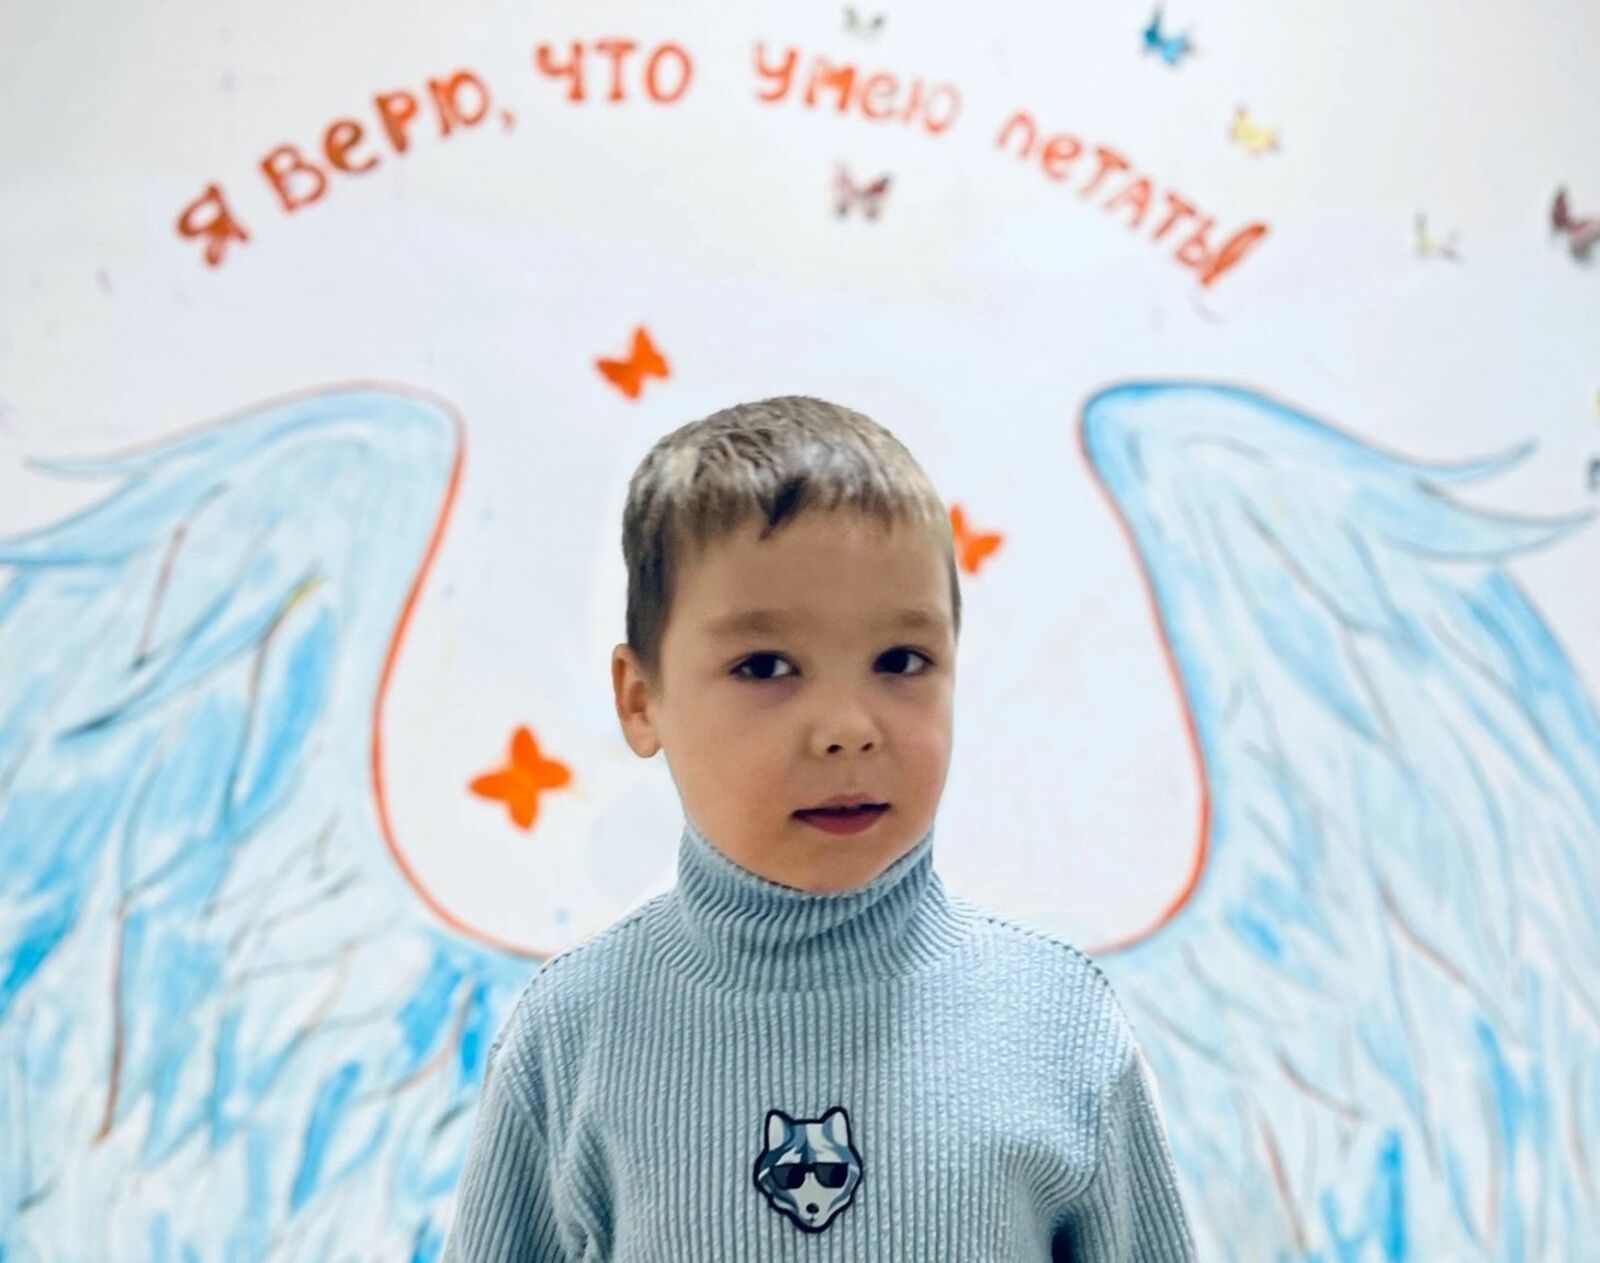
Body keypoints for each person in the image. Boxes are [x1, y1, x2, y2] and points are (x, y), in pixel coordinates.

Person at [442, 395, 1197, 1260]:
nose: (847, 726)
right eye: (765, 666)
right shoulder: (572, 1037)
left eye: (901, 660)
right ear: (640, 698)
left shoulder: (1058, 1024)